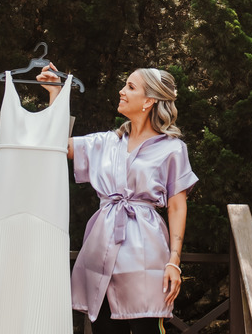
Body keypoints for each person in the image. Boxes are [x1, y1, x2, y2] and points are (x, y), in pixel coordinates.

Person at [38, 64, 198, 334]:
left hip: (145, 256)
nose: (122, 91)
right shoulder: (106, 143)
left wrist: (174, 261)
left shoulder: (173, 149)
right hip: (100, 252)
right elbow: (56, 145)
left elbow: (176, 206)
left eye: (131, 87)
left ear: (149, 101)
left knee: (147, 328)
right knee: (103, 327)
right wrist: (55, 94)